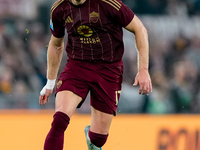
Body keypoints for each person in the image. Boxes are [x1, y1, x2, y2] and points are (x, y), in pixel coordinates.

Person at [39, 0, 152, 150]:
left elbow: (139, 29)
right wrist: (50, 82)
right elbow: (55, 44)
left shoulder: (108, 3)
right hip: (77, 66)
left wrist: (143, 69)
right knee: (59, 120)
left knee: (99, 139)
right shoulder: (59, 8)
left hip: (108, 69)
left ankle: (92, 138)